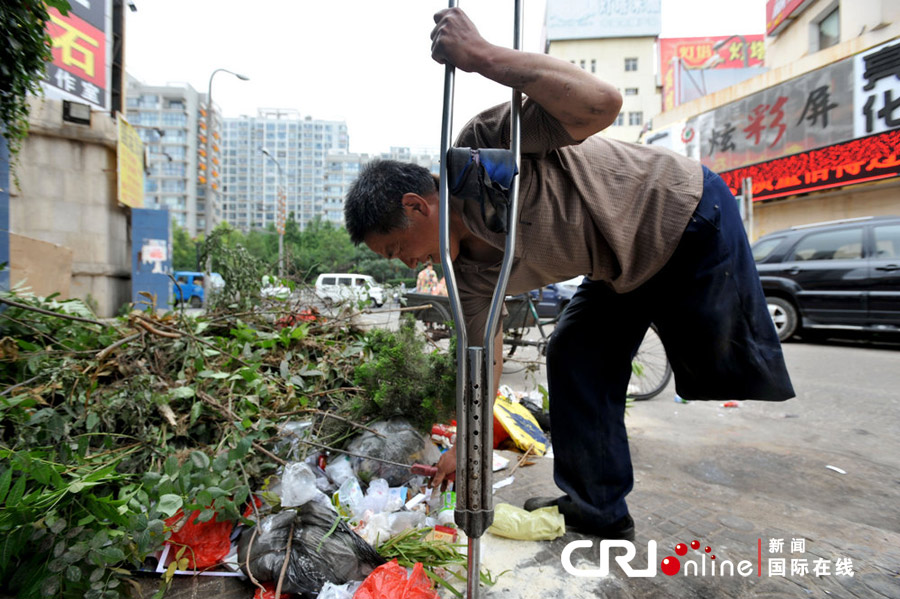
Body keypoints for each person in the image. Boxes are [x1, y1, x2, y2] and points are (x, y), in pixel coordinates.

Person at [343, 7, 794, 540]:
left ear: (419, 206)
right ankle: (598, 511)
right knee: (576, 353)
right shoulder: (466, 278)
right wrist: (468, 444)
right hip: (618, 266)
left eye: (397, 247)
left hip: (680, 215)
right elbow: (481, 358)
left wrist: (482, 56)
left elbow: (600, 104)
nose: (404, 262)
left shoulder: (484, 152)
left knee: (728, 361)